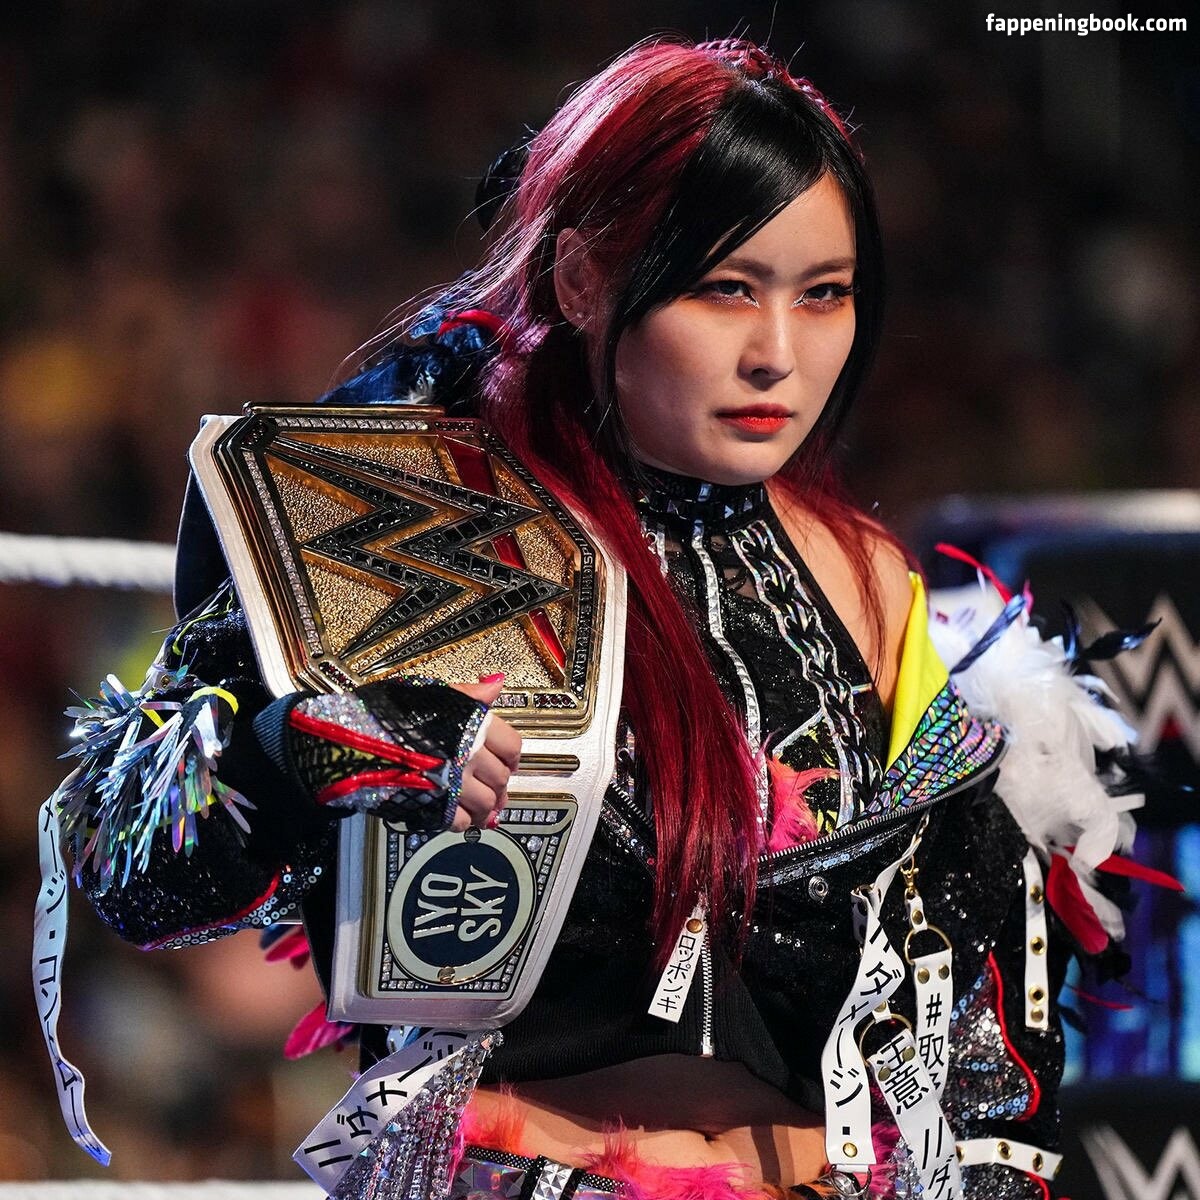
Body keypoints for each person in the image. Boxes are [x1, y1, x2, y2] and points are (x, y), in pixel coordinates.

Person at [42, 34, 1144, 1200]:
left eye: (823, 295)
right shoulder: (394, 529)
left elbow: (986, 1033)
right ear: (579, 280)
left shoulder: (870, 582)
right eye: (726, 289)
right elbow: (132, 872)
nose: (778, 354)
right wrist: (288, 754)